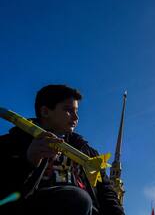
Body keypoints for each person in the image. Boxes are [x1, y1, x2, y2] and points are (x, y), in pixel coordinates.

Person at [0, 85, 125, 215]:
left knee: (82, 200)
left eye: (76, 111)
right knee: (78, 199)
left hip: (85, 207)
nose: (76, 117)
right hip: (37, 206)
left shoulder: (88, 152)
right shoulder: (13, 142)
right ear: (45, 112)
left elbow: (107, 194)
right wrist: (28, 162)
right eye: (68, 110)